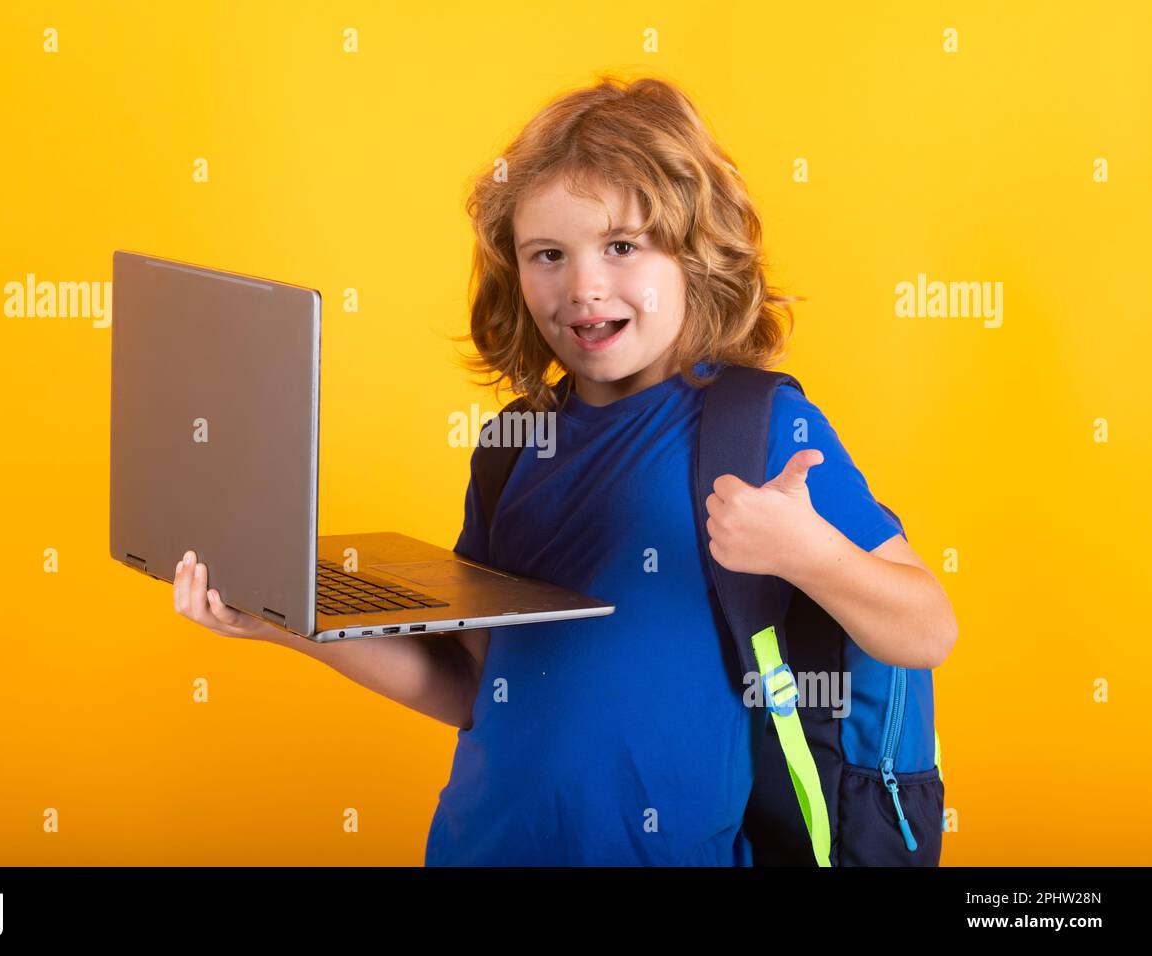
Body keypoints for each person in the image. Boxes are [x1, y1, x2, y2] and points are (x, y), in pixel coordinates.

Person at [173, 74, 957, 866]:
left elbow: (927, 628)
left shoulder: (757, 428)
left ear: (696, 252)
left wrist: (807, 551)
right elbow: (476, 688)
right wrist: (289, 621)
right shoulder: (515, 446)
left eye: (622, 246)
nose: (583, 288)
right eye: (548, 254)